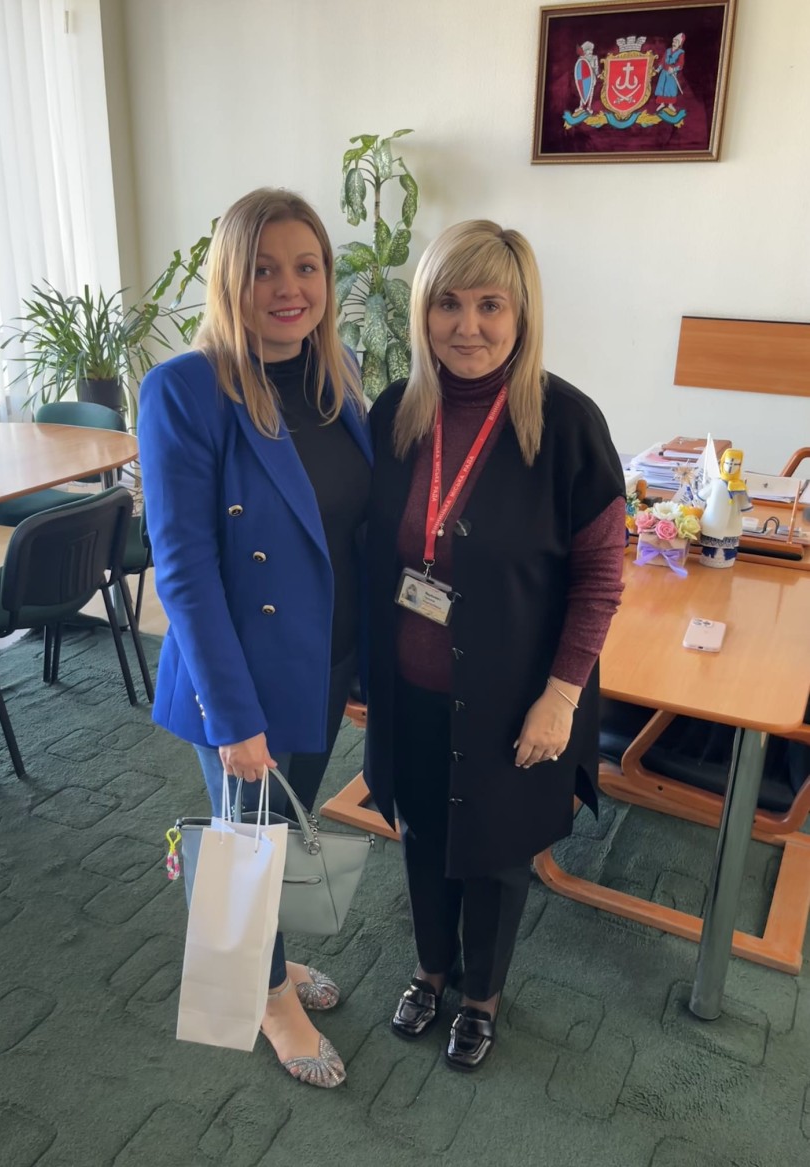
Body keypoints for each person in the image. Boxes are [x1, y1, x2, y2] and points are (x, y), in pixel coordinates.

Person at [364, 220, 626, 1072]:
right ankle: (430, 970)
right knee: (421, 832)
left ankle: (480, 996)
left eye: (490, 304)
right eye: (447, 302)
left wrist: (561, 695)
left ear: (521, 315)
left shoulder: (566, 424)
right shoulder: (395, 414)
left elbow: (600, 577)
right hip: (412, 684)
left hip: (516, 693)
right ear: (422, 311)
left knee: (497, 852)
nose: (466, 325)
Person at [138, 188, 372, 1089]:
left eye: (306, 267)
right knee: (247, 839)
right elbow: (184, 568)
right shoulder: (186, 390)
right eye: (264, 269)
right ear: (229, 279)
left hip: (326, 657)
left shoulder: (334, 372)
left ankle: (266, 957)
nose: (288, 287)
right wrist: (232, 717)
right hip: (241, 675)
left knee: (280, 828)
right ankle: (267, 997)